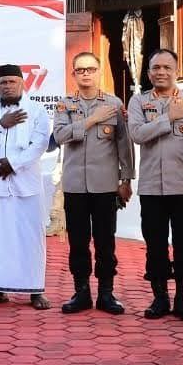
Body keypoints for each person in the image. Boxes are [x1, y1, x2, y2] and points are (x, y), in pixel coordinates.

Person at [128, 48, 183, 321]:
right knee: (155, 245)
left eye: (167, 67)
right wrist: (169, 118)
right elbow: (138, 134)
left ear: (177, 70)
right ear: (148, 71)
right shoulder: (138, 102)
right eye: (156, 68)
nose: (161, 72)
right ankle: (160, 298)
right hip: (152, 188)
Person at [52, 52, 135, 315]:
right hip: (75, 186)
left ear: (99, 72)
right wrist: (91, 120)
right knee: (78, 242)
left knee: (105, 242)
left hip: (105, 186)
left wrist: (126, 179)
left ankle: (107, 294)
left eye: (91, 69)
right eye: (80, 70)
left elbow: (124, 144)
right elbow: (60, 135)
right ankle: (81, 292)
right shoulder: (65, 105)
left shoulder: (114, 104)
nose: (86, 73)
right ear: (74, 74)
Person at [0, 64, 51, 310]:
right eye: (3, 82)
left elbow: (40, 145)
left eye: (12, 82)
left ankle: (35, 290)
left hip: (26, 184)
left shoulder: (36, 110)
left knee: (31, 238)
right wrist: (0, 124)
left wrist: (13, 164)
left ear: (22, 83)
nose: (7, 86)